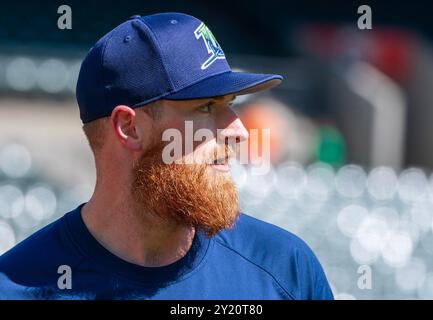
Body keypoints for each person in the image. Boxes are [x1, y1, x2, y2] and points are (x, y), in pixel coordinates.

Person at [0, 12, 333, 300]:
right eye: (206, 106)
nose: (239, 132)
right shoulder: (14, 287)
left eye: (231, 104)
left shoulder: (285, 271)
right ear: (129, 128)